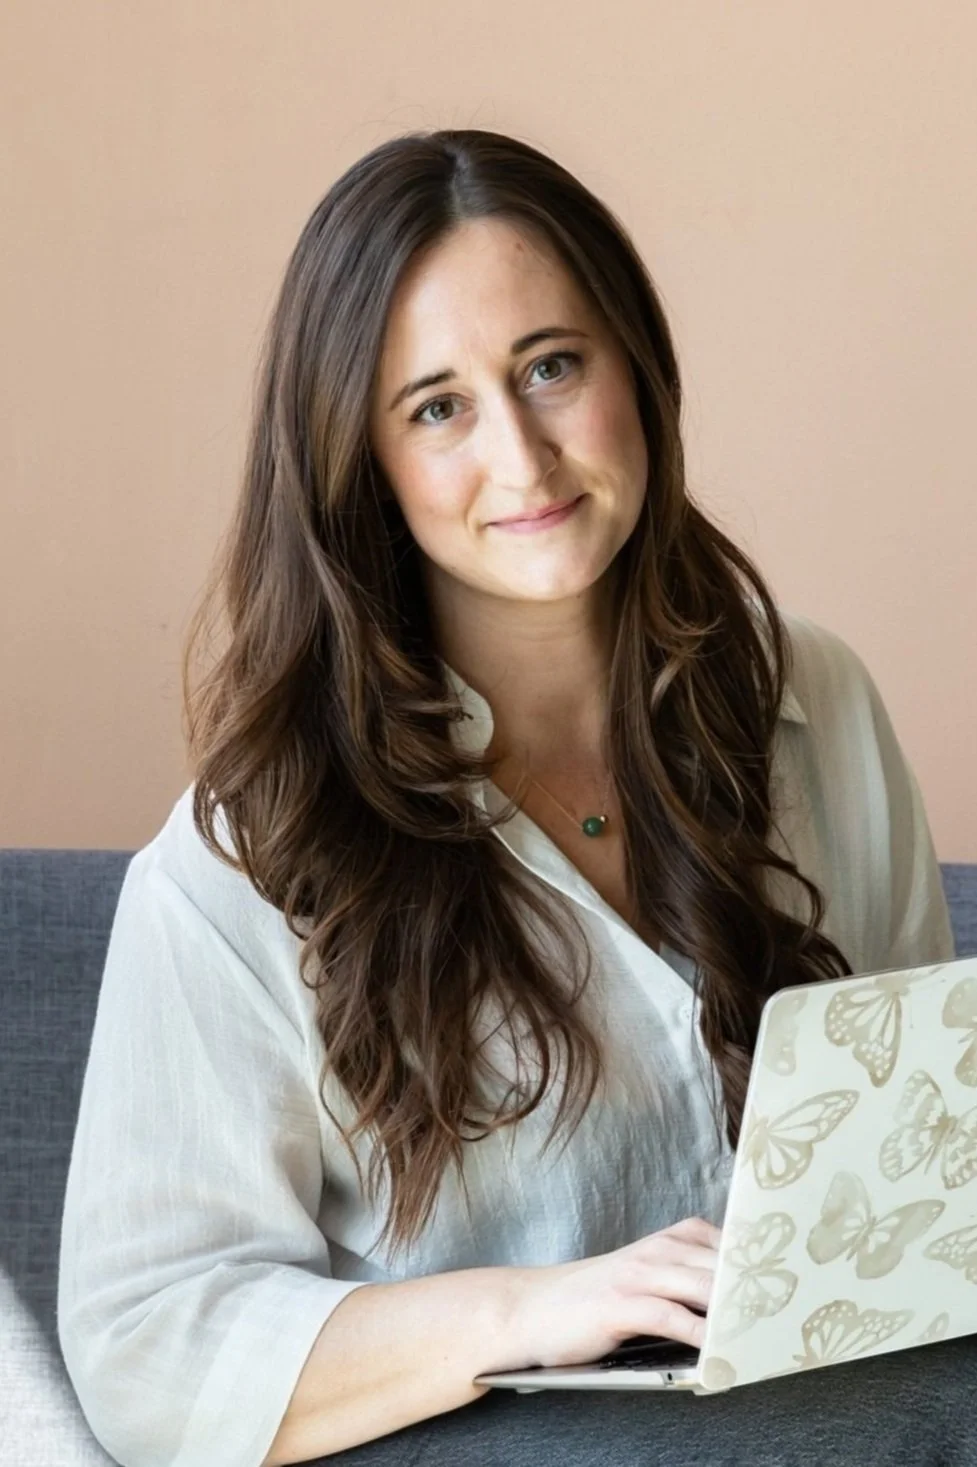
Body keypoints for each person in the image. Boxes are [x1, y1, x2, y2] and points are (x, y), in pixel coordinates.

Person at [57, 128, 963, 1467]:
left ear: (635, 368)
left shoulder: (811, 699)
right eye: (438, 407)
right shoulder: (236, 866)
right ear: (359, 459)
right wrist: (529, 1311)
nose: (525, 458)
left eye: (551, 366)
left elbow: (925, 1182)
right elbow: (145, 1343)